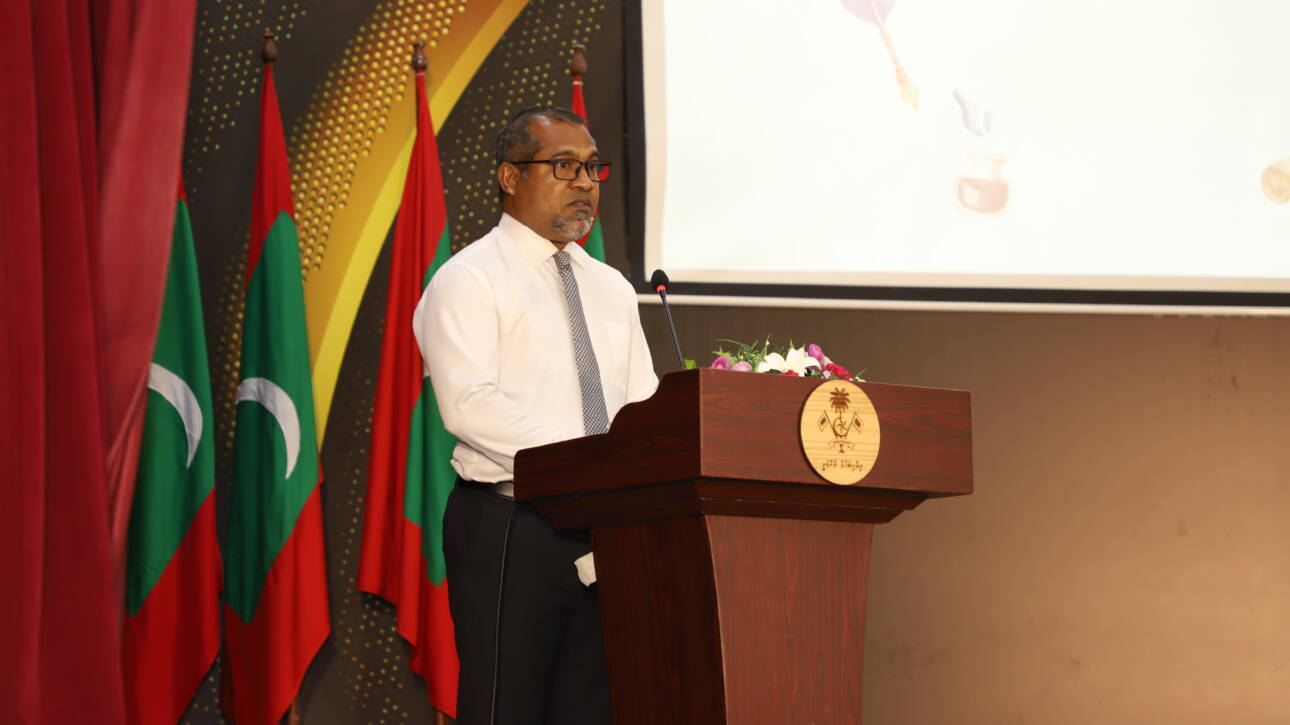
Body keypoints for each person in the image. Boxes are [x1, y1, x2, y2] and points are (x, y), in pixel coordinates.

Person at [413, 105, 658, 725]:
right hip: (513, 525)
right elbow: (470, 404)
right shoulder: (469, 279)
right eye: (564, 166)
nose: (585, 183)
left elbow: (641, 404)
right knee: (508, 708)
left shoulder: (612, 287)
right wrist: (584, 467)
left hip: (609, 528)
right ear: (509, 176)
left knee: (597, 709)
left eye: (592, 169)